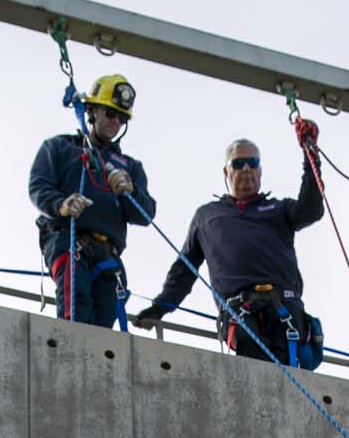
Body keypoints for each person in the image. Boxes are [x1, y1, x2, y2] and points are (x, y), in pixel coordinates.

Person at [133, 132, 324, 364]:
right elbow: (185, 269)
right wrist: (161, 307)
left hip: (283, 306)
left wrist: (311, 157)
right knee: (253, 359)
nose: (246, 169)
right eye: (238, 163)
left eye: (252, 163)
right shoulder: (208, 216)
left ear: (260, 171)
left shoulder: (278, 209)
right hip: (240, 309)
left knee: (287, 365)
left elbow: (311, 210)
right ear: (226, 171)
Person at [29, 75, 155, 327]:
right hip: (69, 240)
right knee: (76, 309)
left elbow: (146, 213)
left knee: (104, 323)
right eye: (110, 113)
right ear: (92, 110)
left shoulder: (129, 167)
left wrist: (129, 192)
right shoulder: (61, 148)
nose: (116, 122)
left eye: (122, 118)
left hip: (108, 254)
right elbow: (38, 186)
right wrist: (61, 205)